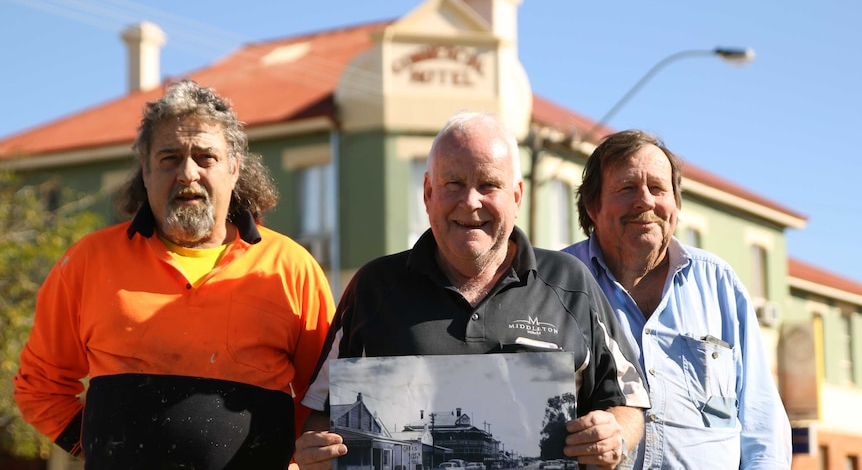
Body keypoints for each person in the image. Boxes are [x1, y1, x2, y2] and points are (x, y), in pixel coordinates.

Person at [293, 112, 650, 470]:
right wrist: (318, 452)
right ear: (428, 193)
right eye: (454, 184)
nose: (470, 201)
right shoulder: (373, 287)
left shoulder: (570, 282)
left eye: (489, 185)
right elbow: (322, 414)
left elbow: (628, 401)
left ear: (517, 196)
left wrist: (614, 434)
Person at [13, 79, 337, 469]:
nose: (187, 173)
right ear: (145, 172)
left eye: (205, 158)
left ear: (234, 169)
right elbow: (39, 387)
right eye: (169, 158)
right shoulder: (88, 261)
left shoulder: (291, 267)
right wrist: (100, 447)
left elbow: (325, 397)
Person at [562, 129, 792, 469]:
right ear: (593, 206)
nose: (645, 201)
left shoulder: (719, 284)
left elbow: (763, 426)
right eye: (626, 188)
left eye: (657, 188)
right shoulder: (557, 285)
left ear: (676, 204)